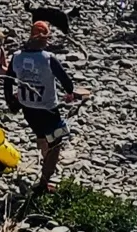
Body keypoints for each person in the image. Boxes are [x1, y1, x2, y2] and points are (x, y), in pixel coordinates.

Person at [6, 21, 81, 193]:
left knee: (41, 135)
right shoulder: (48, 58)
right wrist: (70, 92)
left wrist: (10, 101)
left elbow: (8, 81)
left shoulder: (17, 56)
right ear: (45, 39)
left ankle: (44, 160)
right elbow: (66, 81)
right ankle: (44, 182)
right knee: (56, 142)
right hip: (48, 109)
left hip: (27, 108)